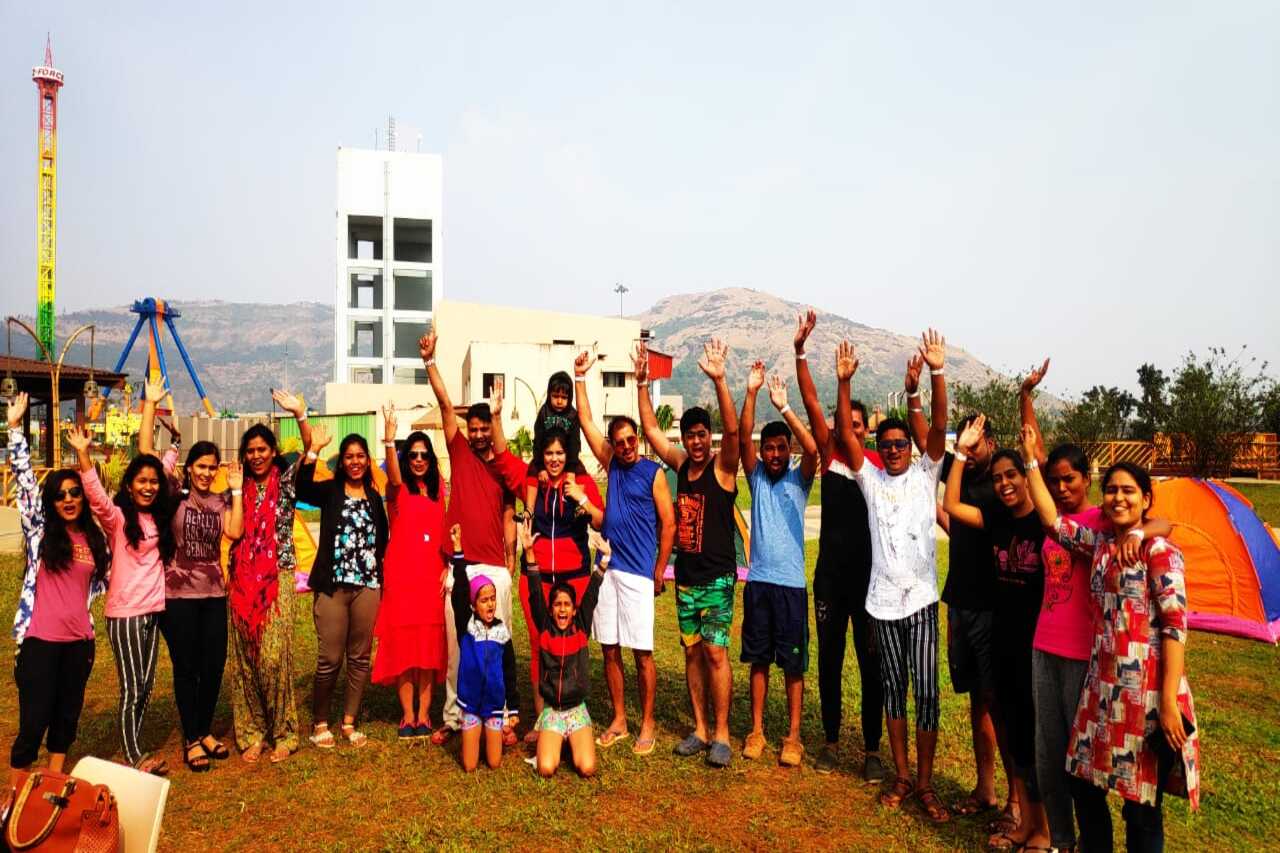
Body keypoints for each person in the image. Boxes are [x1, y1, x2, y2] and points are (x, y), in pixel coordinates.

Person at [1024, 428, 1200, 853]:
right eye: (1112, 491)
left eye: (1129, 491)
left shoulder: (1159, 552)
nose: (1119, 498)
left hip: (1147, 698)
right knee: (1084, 783)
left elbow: (1175, 627)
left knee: (1142, 805)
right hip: (1101, 691)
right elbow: (1052, 522)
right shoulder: (1101, 544)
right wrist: (1032, 461)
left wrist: (1170, 701)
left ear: (1145, 499)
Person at [835, 331, 950, 822]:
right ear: (880, 449)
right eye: (889, 444)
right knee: (892, 689)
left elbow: (939, 426)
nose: (897, 449)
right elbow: (844, 433)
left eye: (902, 443)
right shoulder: (872, 481)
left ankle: (924, 783)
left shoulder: (927, 475)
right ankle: (901, 775)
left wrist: (934, 377)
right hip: (881, 602)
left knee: (926, 691)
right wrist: (844, 385)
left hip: (921, 599)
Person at [943, 415, 1052, 851]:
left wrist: (1030, 459)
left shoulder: (1043, 522)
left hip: (1036, 642)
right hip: (1003, 635)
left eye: (1014, 476)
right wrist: (958, 452)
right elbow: (950, 505)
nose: (1006, 484)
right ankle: (1027, 823)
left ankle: (1041, 828)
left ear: (1026, 479)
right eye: (1001, 478)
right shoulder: (997, 519)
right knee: (1013, 724)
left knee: (1033, 731)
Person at [419, 329, 528, 745]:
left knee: (499, 645)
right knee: (458, 645)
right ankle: (454, 716)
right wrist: (431, 362)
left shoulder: (503, 465)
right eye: (475, 428)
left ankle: (500, 717)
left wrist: (510, 558)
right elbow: (446, 404)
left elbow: (507, 515)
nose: (480, 434)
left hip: (495, 568)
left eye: (486, 428)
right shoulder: (460, 452)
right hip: (459, 566)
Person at [793, 309, 887, 779]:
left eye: (855, 424)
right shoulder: (829, 454)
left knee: (872, 668)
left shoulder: (878, 465)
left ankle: (872, 751)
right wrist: (802, 352)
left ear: (866, 429)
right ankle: (831, 742)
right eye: (840, 423)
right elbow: (811, 400)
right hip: (830, 580)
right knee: (829, 663)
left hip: (871, 585)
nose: (847, 430)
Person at [637, 338, 740, 768]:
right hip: (688, 580)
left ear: (709, 437)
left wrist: (719, 380)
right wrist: (642, 385)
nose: (695, 443)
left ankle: (722, 734)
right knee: (692, 651)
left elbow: (734, 432)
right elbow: (651, 432)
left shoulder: (723, 467)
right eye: (690, 436)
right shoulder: (681, 465)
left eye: (702, 436)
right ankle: (699, 728)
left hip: (717, 579)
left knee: (717, 652)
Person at [139, 379, 244, 772]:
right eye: (200, 467)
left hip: (214, 594)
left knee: (213, 665)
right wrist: (150, 405)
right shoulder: (174, 494)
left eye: (211, 468)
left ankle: (204, 730)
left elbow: (233, 531)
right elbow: (146, 455)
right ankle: (191, 738)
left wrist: (233, 492)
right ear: (189, 468)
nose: (205, 473)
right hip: (178, 597)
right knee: (187, 667)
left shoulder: (219, 499)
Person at [574, 349, 674, 756]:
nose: (628, 446)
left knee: (642, 653)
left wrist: (658, 570)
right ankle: (619, 718)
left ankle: (647, 722)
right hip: (607, 570)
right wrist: (580, 378)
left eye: (632, 440)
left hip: (636, 575)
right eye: (620, 443)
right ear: (613, 447)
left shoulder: (653, 473)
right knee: (610, 648)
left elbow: (668, 524)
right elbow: (585, 421)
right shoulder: (612, 465)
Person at [8, 393, 109, 774]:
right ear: (51, 501)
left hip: (80, 643)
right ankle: (14, 797)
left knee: (66, 720)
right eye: (60, 495)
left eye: (74, 493)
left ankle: (51, 784)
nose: (68, 498)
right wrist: (15, 430)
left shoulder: (94, 540)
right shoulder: (39, 532)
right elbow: (25, 484)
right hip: (40, 642)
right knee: (33, 722)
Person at [68, 422, 175, 775]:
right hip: (126, 613)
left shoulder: (156, 514)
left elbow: (166, 470)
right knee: (132, 685)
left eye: (153, 482)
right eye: (141, 481)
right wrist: (83, 455)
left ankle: (134, 742)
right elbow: (97, 497)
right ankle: (133, 755)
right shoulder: (117, 520)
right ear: (129, 486)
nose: (148, 487)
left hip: (153, 610)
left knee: (147, 684)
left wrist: (173, 444)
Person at [738, 365, 819, 767]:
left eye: (779, 448)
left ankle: (793, 736)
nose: (773, 454)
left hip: (791, 587)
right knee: (758, 660)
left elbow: (815, 449)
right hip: (759, 584)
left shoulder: (799, 480)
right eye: (768, 448)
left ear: (788, 451)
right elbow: (742, 439)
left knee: (792, 664)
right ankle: (756, 730)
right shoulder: (754, 477)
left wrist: (786, 407)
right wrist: (751, 393)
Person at [226, 389, 310, 763]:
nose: (257, 455)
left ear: (273, 452)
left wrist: (300, 414)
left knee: (274, 657)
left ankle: (285, 732)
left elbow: (309, 449)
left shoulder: (287, 481)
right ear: (244, 454)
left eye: (263, 449)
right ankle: (252, 732)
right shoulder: (235, 486)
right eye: (251, 450)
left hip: (278, 576)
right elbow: (231, 530)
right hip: (241, 580)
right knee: (245, 659)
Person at [937, 407, 1012, 826]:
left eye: (975, 441)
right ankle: (986, 788)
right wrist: (923, 383)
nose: (967, 448)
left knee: (1000, 703)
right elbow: (923, 433)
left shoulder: (1000, 486)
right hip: (960, 601)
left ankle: (1016, 803)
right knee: (976, 701)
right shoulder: (960, 470)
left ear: (991, 442)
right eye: (963, 440)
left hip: (992, 607)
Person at [296, 425, 389, 749]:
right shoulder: (330, 491)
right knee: (330, 657)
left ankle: (349, 721)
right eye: (349, 457)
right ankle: (320, 722)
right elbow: (301, 488)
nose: (354, 461)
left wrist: (379, 578)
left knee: (360, 657)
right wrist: (313, 450)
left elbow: (383, 540)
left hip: (367, 586)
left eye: (360, 456)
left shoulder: (375, 499)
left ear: (368, 460)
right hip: (333, 587)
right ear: (342, 462)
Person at [372, 405, 449, 740]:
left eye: (424, 455)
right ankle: (407, 716)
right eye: (413, 454)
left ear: (431, 461)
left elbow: (446, 531)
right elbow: (392, 476)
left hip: (432, 577)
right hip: (402, 578)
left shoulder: (438, 492)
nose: (418, 459)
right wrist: (390, 441)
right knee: (404, 646)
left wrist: (447, 566)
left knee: (429, 647)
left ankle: (425, 713)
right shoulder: (397, 490)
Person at [519, 428, 604, 724]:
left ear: (568, 455)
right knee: (538, 642)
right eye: (549, 453)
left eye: (559, 453)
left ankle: (573, 711)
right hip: (538, 575)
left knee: (575, 642)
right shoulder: (535, 482)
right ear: (541, 456)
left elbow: (600, 519)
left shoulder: (580, 482)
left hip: (575, 577)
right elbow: (503, 461)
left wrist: (581, 498)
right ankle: (544, 715)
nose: (554, 459)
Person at [518, 516, 606, 777]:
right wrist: (530, 553)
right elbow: (535, 593)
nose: (562, 610)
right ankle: (556, 740)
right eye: (557, 605)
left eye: (567, 604)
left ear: (574, 608)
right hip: (553, 712)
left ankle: (574, 739)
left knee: (587, 767)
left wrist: (603, 563)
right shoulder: (545, 627)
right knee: (546, 768)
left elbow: (591, 594)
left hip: (576, 709)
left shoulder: (580, 626)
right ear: (551, 608)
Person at [448, 529, 519, 772]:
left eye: (492, 598)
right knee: (469, 765)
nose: (490, 603)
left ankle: (492, 734)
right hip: (471, 705)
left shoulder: (502, 632)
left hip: (494, 706)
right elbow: (458, 594)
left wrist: (515, 707)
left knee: (494, 763)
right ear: (473, 605)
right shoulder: (467, 628)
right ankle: (471, 734)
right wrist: (458, 550)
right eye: (484, 599)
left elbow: (510, 670)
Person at [524, 371, 587, 507]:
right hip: (545, 457)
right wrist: (540, 467)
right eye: (555, 396)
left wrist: (570, 470)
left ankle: (578, 508)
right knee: (531, 469)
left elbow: (575, 443)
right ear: (549, 395)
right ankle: (529, 510)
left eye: (564, 397)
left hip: (566, 458)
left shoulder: (572, 415)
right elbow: (538, 441)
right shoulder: (544, 412)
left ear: (569, 398)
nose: (559, 401)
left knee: (581, 470)